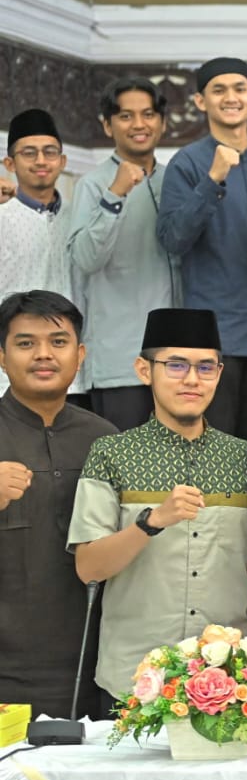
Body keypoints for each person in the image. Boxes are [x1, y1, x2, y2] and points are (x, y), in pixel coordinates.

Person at [68, 307, 247, 706]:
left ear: (219, 374)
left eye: (206, 367)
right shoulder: (112, 455)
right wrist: (150, 523)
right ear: (143, 370)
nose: (191, 379)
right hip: (131, 683)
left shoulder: (245, 459)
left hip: (227, 683)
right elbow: (89, 567)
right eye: (176, 365)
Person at [155, 57, 247, 445]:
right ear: (200, 101)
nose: (230, 98)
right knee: (212, 450)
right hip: (213, 341)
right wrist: (213, 179)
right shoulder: (187, 163)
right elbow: (173, 240)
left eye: (239, 89)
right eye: (218, 90)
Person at [0, 292, 116, 716]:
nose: (43, 355)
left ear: (80, 354)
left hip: (92, 667)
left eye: (58, 341)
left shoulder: (106, 440)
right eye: (26, 343)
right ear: (1, 355)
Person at [65, 77, 175, 431]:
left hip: (177, 361)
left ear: (162, 121)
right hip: (120, 362)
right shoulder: (94, 184)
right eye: (126, 116)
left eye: (147, 114)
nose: (139, 124)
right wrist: (115, 195)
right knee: (125, 478)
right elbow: (84, 259)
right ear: (106, 124)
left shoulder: (176, 181)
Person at [0, 109, 73, 309]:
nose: (41, 161)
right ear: (10, 164)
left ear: (62, 161)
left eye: (49, 152)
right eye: (29, 153)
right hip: (11, 335)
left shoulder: (77, 216)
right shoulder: (3, 218)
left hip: (66, 335)